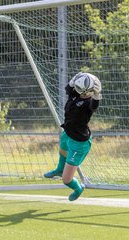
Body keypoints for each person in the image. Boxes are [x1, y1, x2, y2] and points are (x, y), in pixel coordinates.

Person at [44, 72, 102, 201]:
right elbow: (68, 89)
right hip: (67, 133)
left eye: (88, 92)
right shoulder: (75, 93)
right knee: (63, 151)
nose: (84, 94)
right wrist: (75, 78)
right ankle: (59, 169)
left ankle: (78, 188)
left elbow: (94, 106)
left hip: (79, 143)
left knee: (66, 179)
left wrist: (97, 96)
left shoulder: (89, 104)